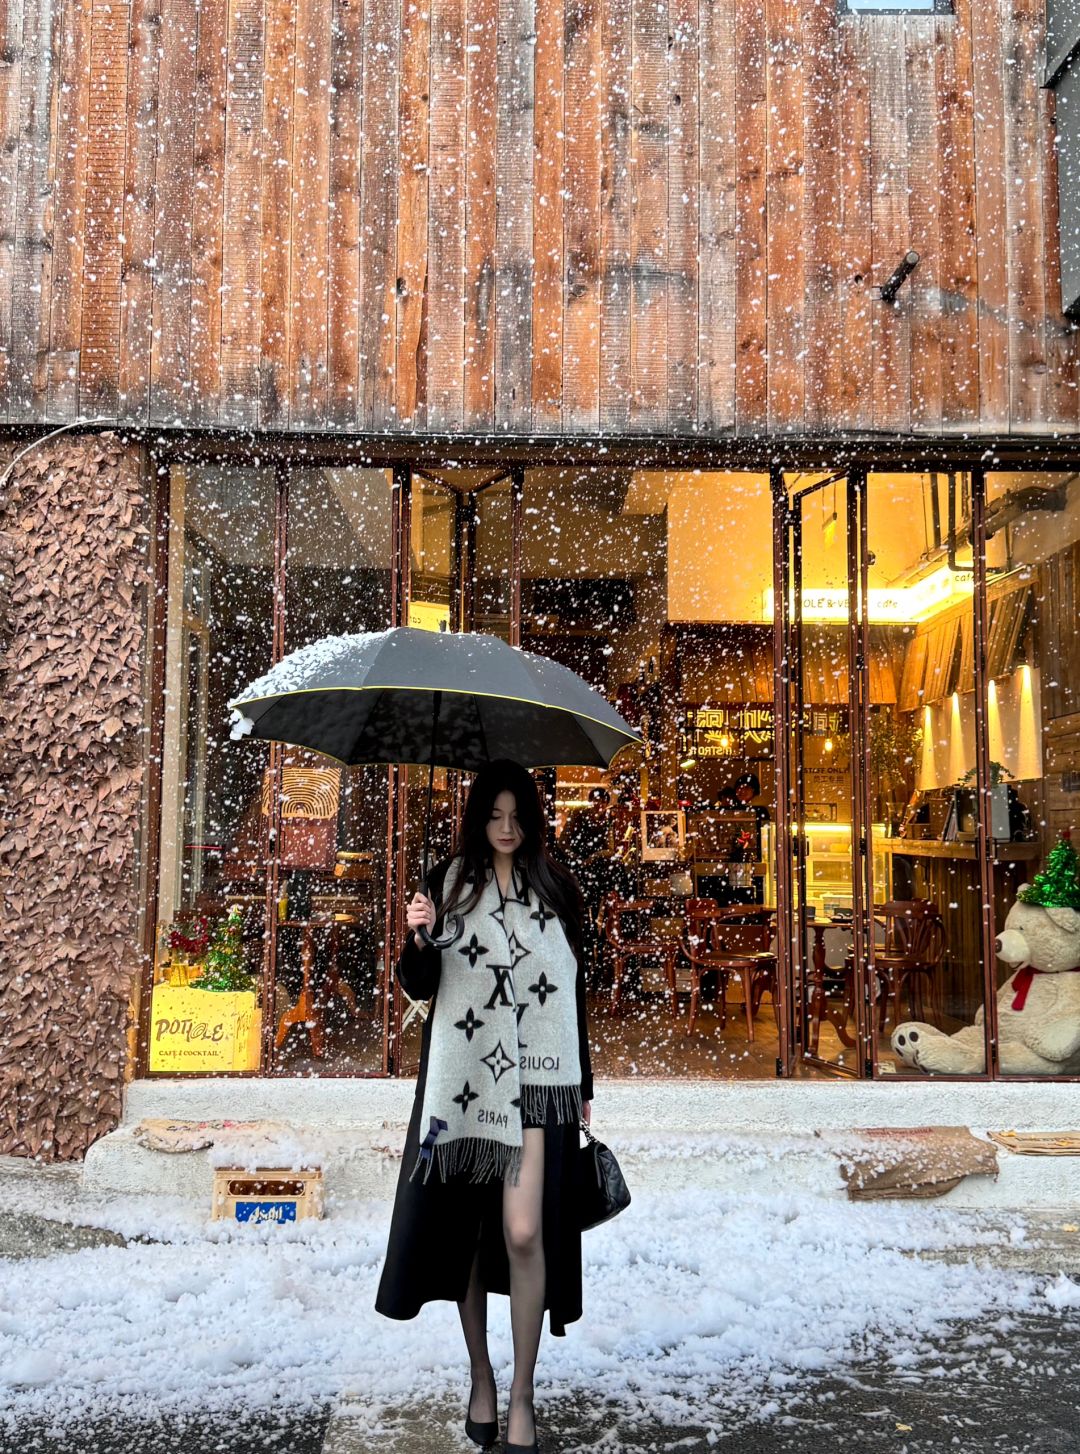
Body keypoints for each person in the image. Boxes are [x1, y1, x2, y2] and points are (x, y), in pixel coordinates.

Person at [375, 759, 594, 1454]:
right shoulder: (448, 883)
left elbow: (572, 991)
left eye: (516, 816)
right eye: (494, 816)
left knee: (523, 1231)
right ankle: (482, 1379)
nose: (506, 828)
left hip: (538, 1080)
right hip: (465, 1079)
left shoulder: (556, 888)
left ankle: (524, 1391)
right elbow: (420, 984)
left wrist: (583, 1085)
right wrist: (419, 933)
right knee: (469, 1234)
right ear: (478, 818)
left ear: (532, 819)